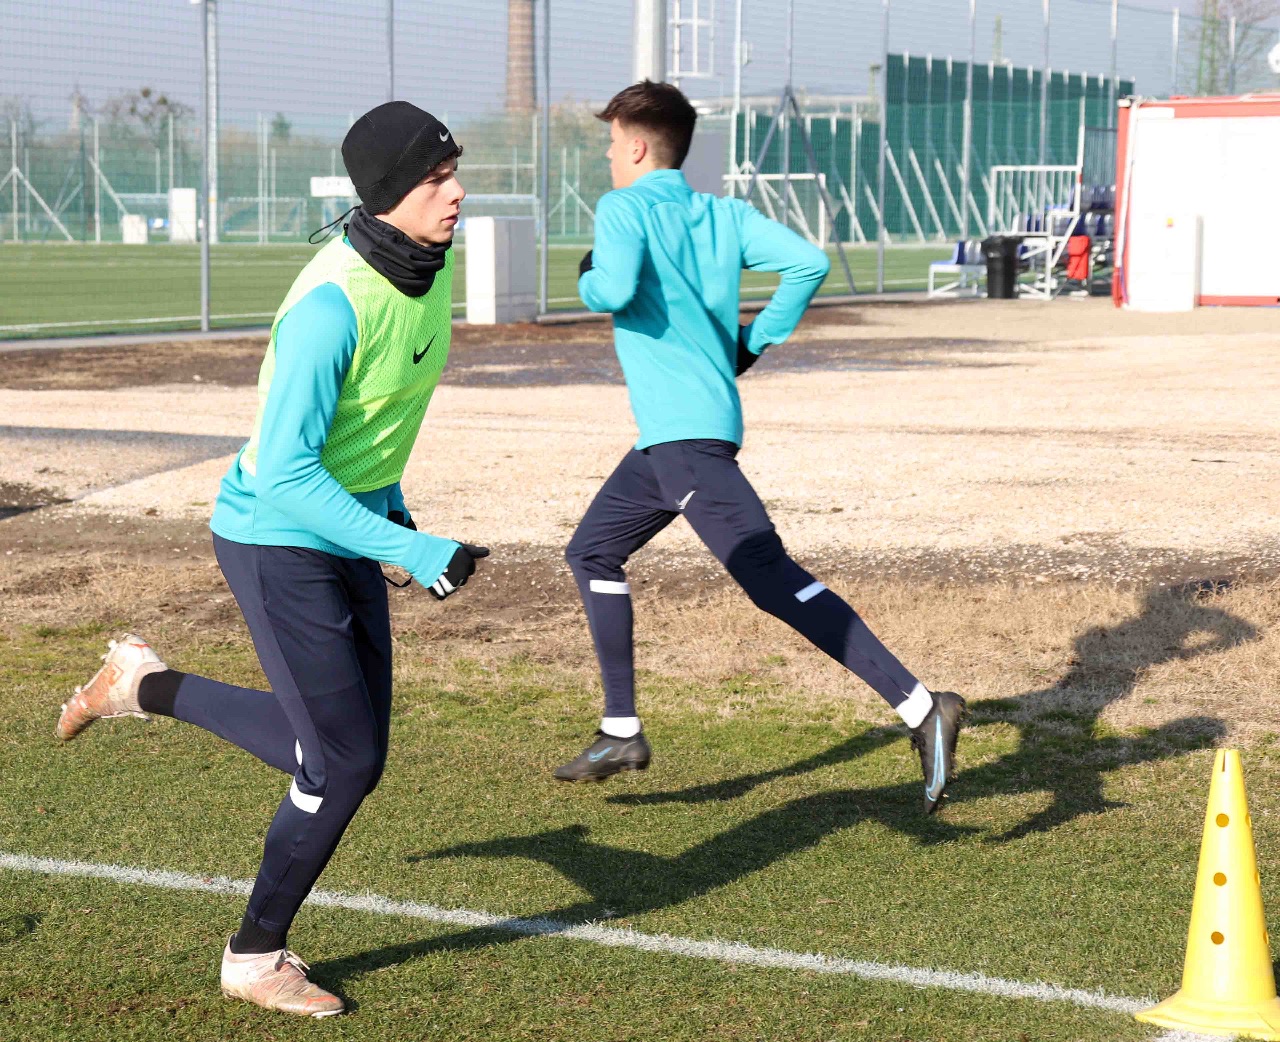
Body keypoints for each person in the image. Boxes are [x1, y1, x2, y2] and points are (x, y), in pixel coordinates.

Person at [55, 102, 489, 1018]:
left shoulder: (425, 270)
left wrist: (394, 514)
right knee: (341, 762)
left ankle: (144, 684)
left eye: (454, 173)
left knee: (346, 753)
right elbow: (286, 473)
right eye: (434, 179)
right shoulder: (330, 306)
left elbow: (373, 423)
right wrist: (409, 547)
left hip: (345, 526)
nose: (454, 193)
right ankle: (253, 956)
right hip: (276, 536)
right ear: (387, 193)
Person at [555, 81, 967, 812]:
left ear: (638, 146)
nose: (610, 158)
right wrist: (752, 342)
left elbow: (611, 292)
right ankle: (620, 729)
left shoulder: (622, 208)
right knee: (591, 551)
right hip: (671, 442)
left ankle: (921, 706)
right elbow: (808, 262)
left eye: (612, 145)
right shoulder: (725, 215)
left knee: (770, 579)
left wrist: (588, 276)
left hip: (686, 443)